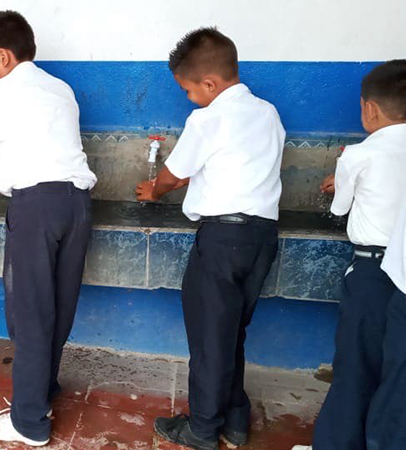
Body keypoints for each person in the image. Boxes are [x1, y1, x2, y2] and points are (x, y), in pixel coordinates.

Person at [136, 27, 285, 450]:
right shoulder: (268, 113)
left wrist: (154, 190)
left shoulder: (207, 118)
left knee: (208, 340)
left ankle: (202, 430)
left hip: (222, 239)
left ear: (209, 83)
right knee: (231, 333)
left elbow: (176, 172)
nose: (188, 98)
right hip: (261, 237)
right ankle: (236, 421)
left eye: (187, 90)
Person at [0, 10, 97, 447]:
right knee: (57, 306)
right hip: (76, 206)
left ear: (3, 56)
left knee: (30, 314)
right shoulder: (62, 90)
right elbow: (39, 154)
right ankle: (43, 390)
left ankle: (30, 423)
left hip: (35, 210)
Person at [293, 60, 406, 450]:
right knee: (395, 375)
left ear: (369, 109)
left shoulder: (359, 154)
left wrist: (341, 184)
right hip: (401, 273)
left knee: (356, 365)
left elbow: (339, 208)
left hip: (373, 270)